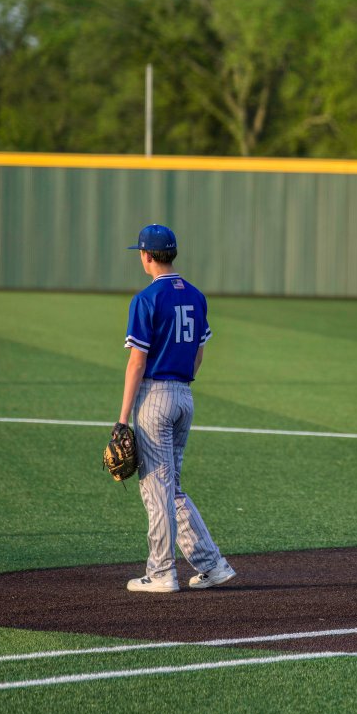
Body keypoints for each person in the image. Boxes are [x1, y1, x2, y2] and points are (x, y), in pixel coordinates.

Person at [118, 224, 235, 593]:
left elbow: (137, 362)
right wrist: (181, 386)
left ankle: (161, 573)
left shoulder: (147, 298)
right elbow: (199, 353)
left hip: (155, 397)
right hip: (184, 395)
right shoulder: (196, 296)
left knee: (156, 489)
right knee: (173, 489)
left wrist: (122, 419)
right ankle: (212, 565)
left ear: (146, 256)